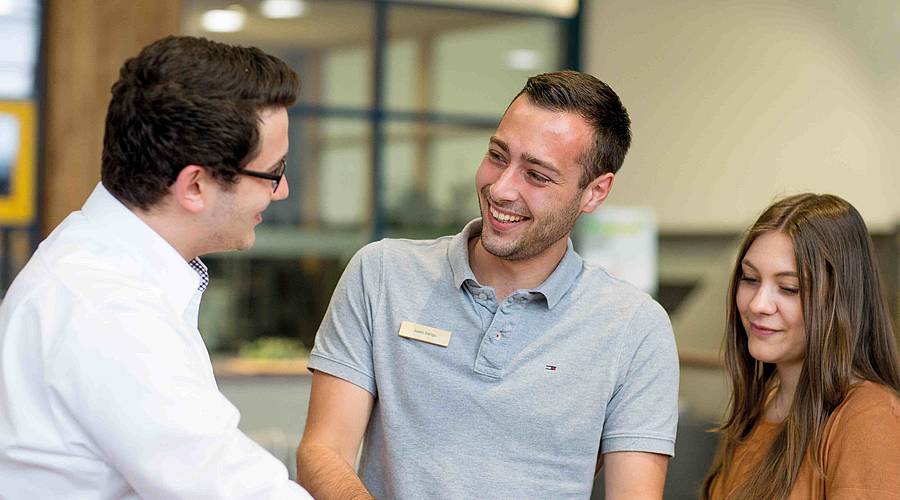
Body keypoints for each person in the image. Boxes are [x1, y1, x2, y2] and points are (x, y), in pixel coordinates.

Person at [296, 71, 679, 499]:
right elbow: (323, 450)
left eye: (536, 175)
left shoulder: (635, 327)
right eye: (498, 156)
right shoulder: (382, 273)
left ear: (594, 192)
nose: (501, 188)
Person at [0, 36, 312, 499]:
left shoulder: (96, 268)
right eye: (272, 172)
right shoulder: (107, 308)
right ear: (195, 185)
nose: (282, 190)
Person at [702, 193, 900, 499]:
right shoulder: (759, 406)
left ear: (839, 301)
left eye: (788, 288)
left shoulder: (870, 418)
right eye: (750, 278)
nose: (758, 304)